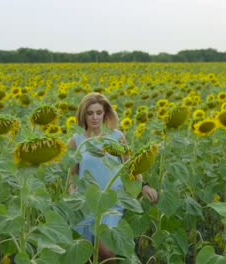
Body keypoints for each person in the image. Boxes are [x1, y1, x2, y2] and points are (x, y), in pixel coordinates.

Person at [68, 92, 158, 263]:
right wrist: (72, 194)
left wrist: (144, 185)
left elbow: (131, 166)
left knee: (106, 252)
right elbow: (72, 176)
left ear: (105, 114)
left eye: (98, 112)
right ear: (83, 115)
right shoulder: (76, 140)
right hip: (85, 202)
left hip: (111, 201)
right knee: (85, 254)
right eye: (90, 113)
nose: (94, 117)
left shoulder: (117, 137)